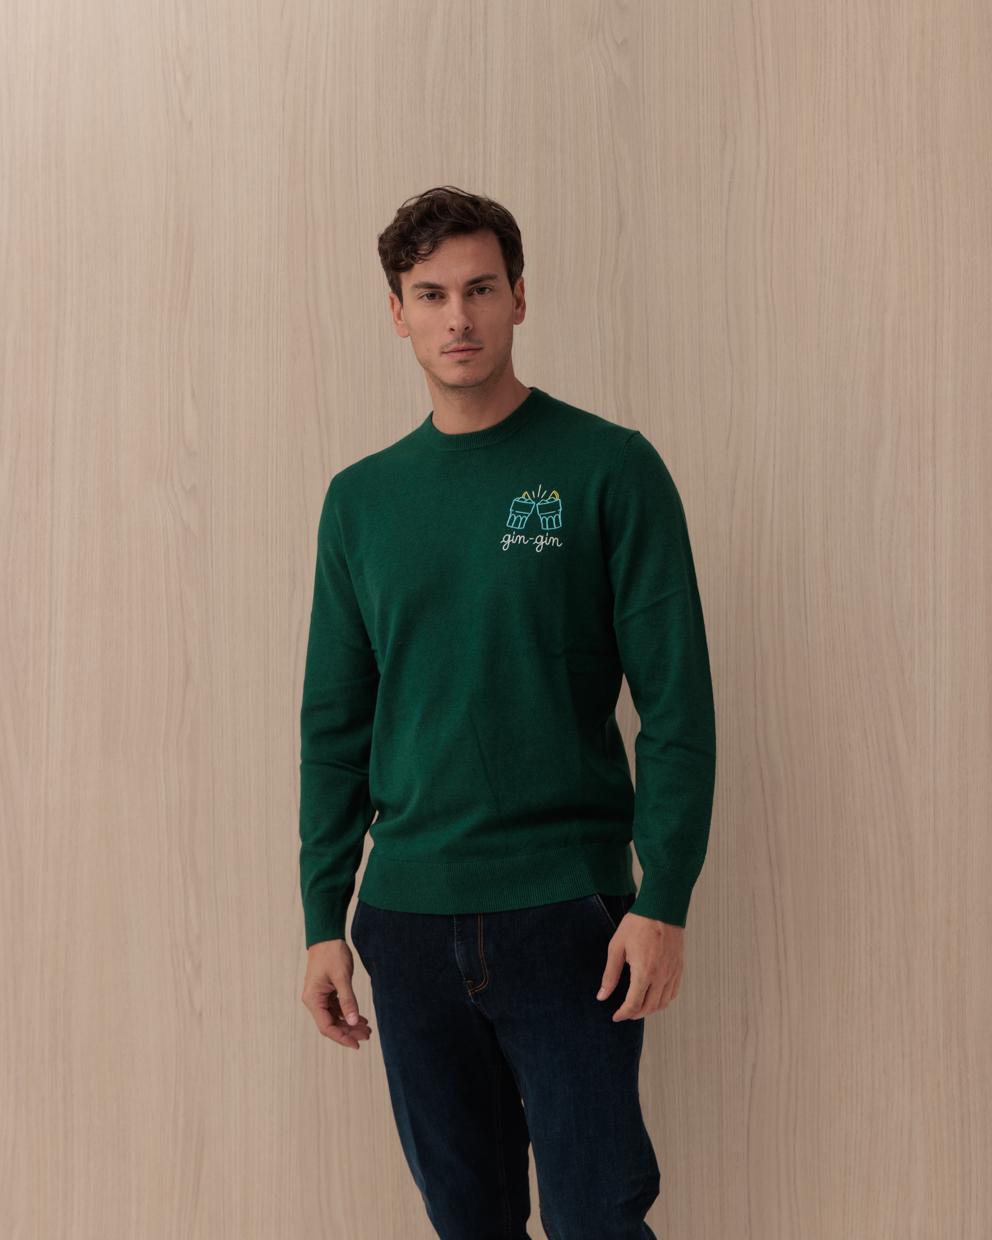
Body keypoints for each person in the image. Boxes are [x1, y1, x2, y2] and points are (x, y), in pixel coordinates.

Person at [298, 185, 717, 1239]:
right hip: (406, 918)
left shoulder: (608, 467)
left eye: (480, 289)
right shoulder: (361, 501)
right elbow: (333, 728)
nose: (458, 317)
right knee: (468, 1222)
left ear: (519, 297)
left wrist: (663, 897)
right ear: (396, 312)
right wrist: (321, 920)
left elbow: (675, 704)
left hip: (566, 915)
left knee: (597, 1218)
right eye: (430, 294)